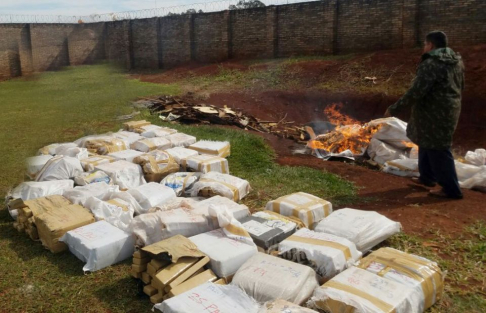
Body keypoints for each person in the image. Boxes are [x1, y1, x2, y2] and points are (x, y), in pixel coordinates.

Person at [385, 31, 464, 199]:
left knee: (439, 148)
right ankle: (427, 178)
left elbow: (416, 91)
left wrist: (395, 108)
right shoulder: (457, 62)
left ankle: (451, 190)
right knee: (425, 141)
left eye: (424, 45)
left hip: (434, 113)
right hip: (448, 109)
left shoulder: (431, 63)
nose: (424, 48)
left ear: (431, 45)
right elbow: (460, 86)